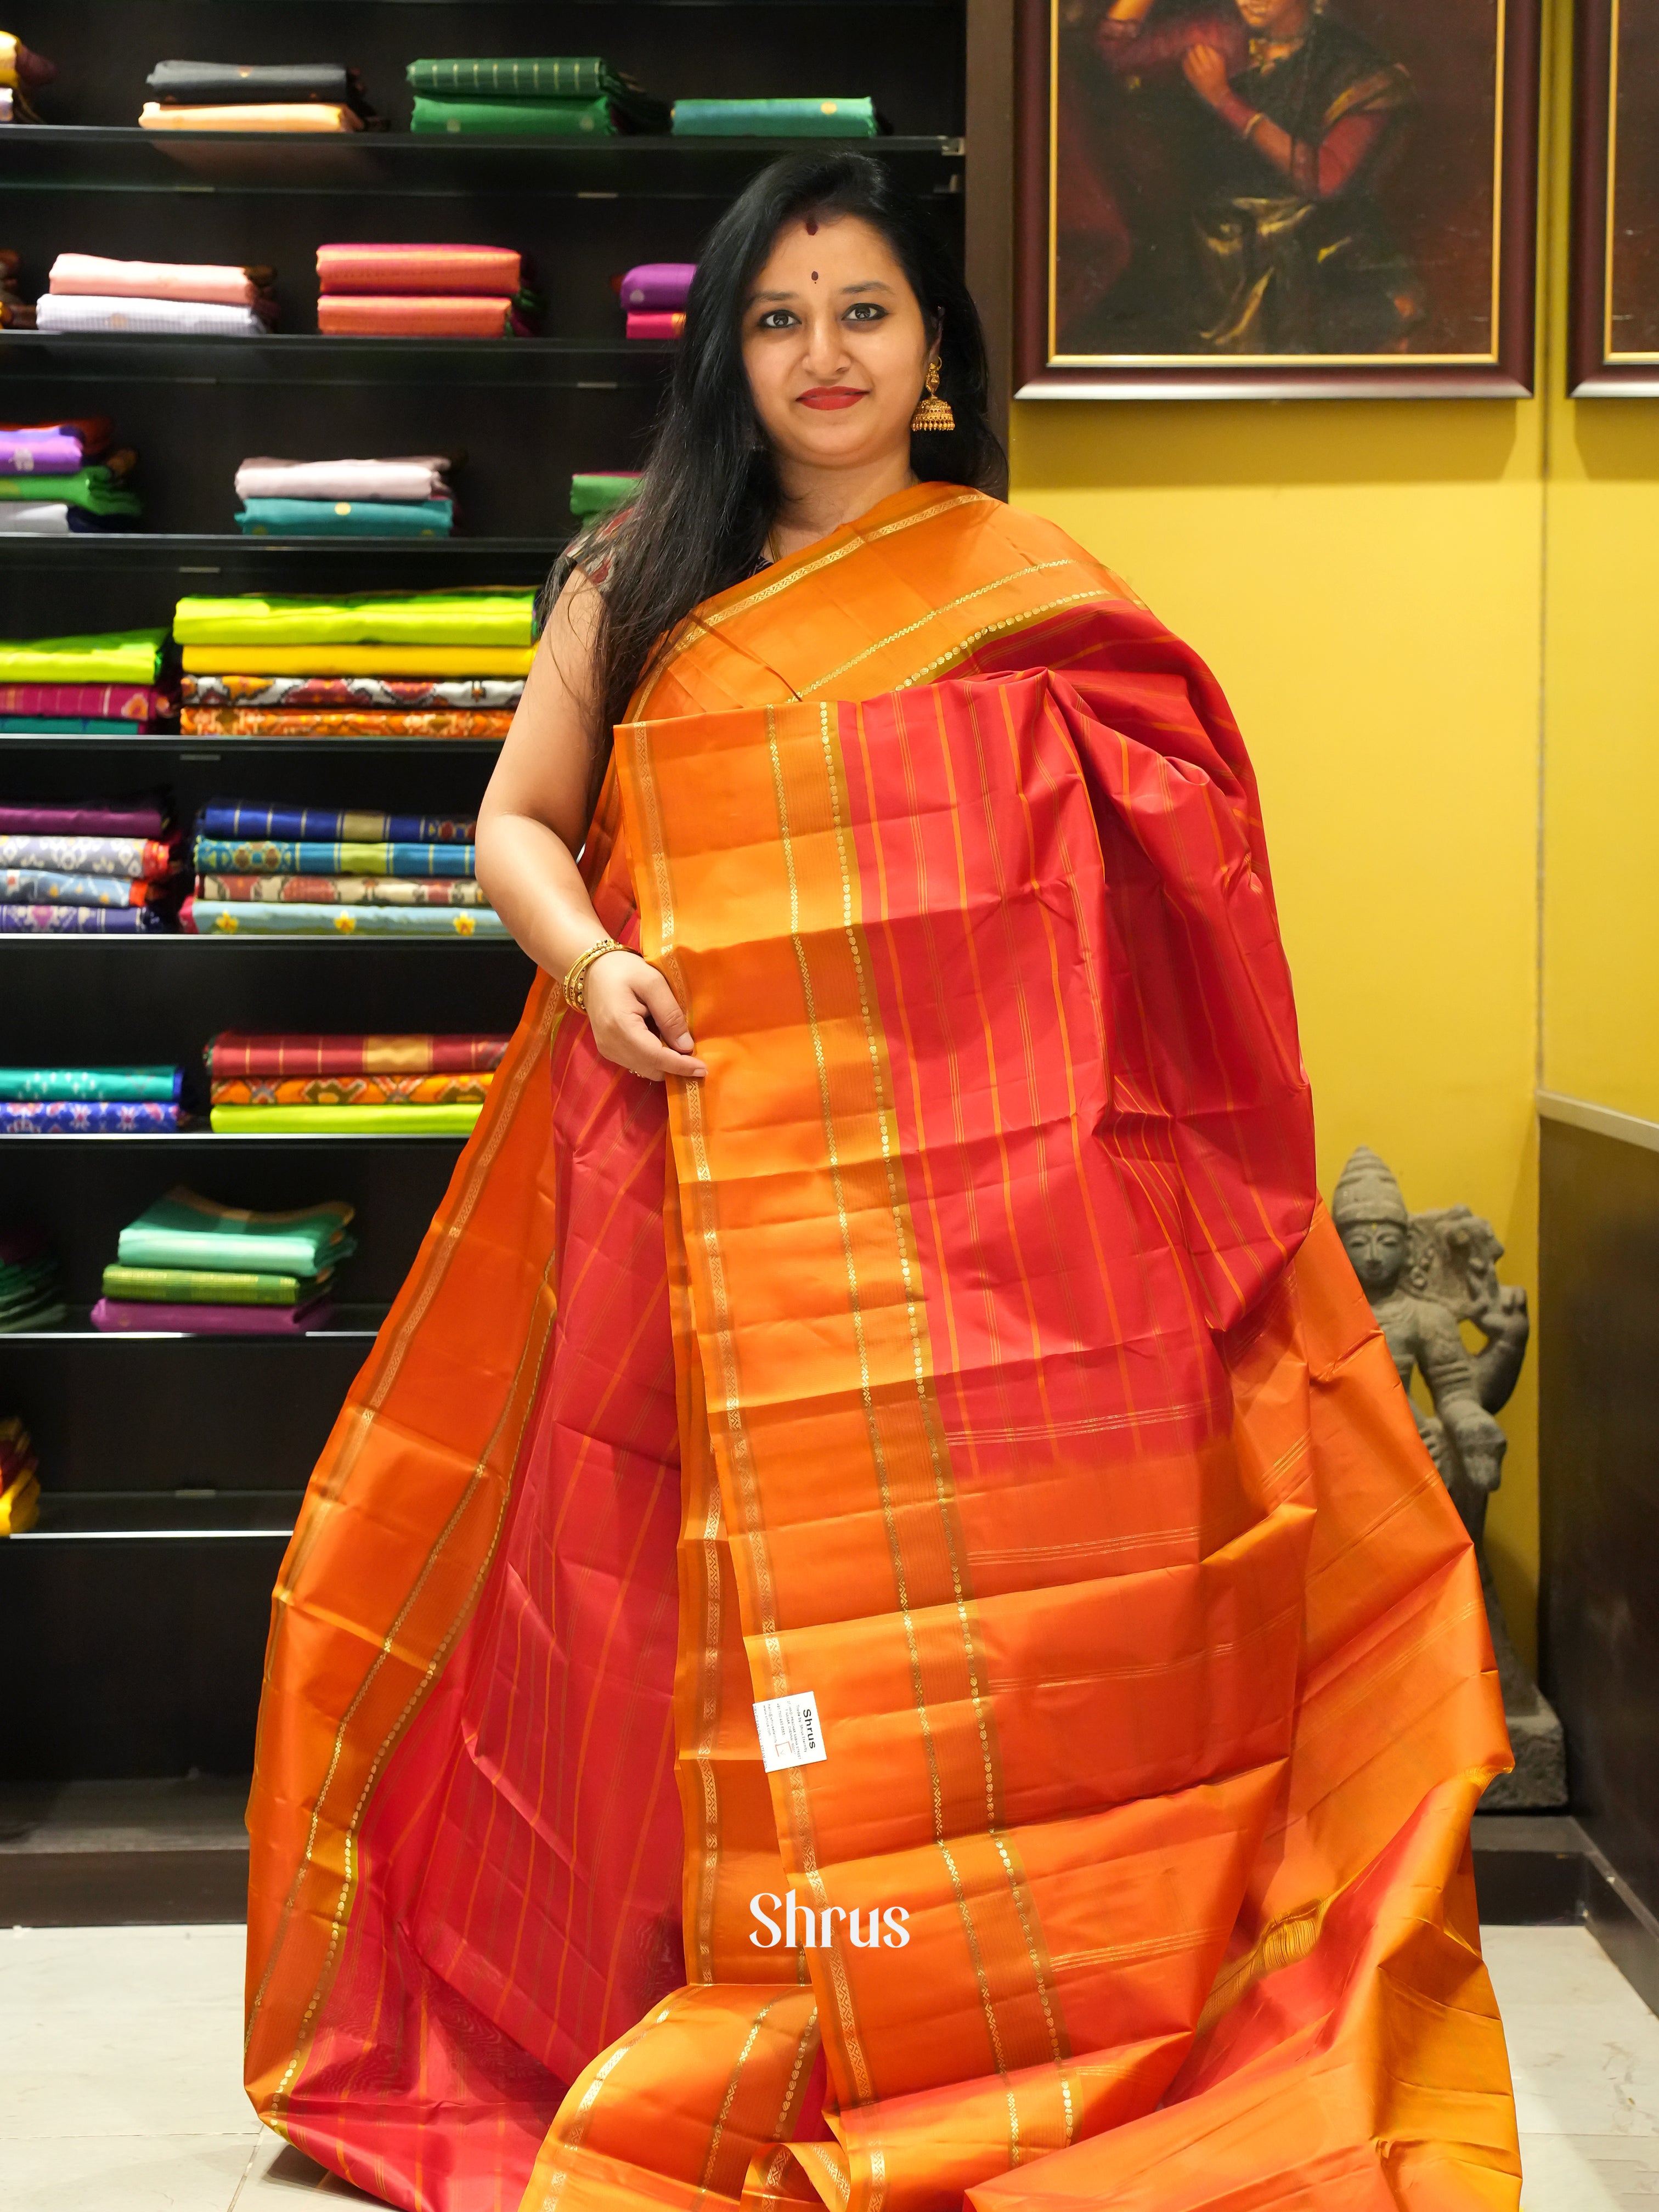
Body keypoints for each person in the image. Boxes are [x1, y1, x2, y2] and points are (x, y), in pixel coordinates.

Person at [243, 152, 1519, 2212]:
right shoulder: (631, 578)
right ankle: (678, 1986)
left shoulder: (1027, 592)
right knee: (662, 1613)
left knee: (955, 1645)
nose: (819, 356)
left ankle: (964, 1999)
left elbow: (1164, 884)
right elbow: (515, 827)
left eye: (861, 312)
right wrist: (597, 964)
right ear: (721, 355)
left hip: (977, 1228)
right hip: (681, 1167)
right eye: (774, 317)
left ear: (933, 352)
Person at [1070, 0, 1421, 353]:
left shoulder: (1356, 68)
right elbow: (1113, 52)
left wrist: (1224, 100)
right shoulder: (1217, 35)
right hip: (1213, 251)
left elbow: (1323, 179)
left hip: (1314, 252)